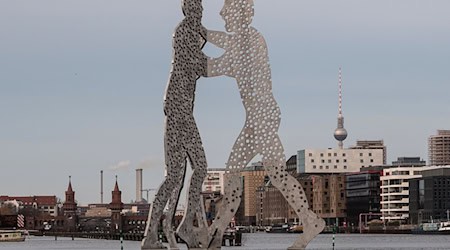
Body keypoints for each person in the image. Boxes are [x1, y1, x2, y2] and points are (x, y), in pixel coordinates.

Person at [204, 0, 325, 248]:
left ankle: (217, 231)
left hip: (261, 117)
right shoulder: (247, 39)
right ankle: (311, 220)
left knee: (234, 172)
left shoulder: (248, 40)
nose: (222, 12)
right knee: (277, 174)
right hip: (262, 116)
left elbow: (215, 65)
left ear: (240, 12)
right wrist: (202, 34)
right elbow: (225, 46)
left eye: (227, 8)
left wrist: (197, 42)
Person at [141, 0, 209, 249]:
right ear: (187, 9)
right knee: (187, 171)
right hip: (179, 109)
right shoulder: (185, 31)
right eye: (196, 7)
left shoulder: (191, 31)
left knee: (178, 176)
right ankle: (176, 228)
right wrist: (235, 63)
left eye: (201, 7)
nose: (200, 11)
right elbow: (200, 65)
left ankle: (161, 232)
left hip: (181, 109)